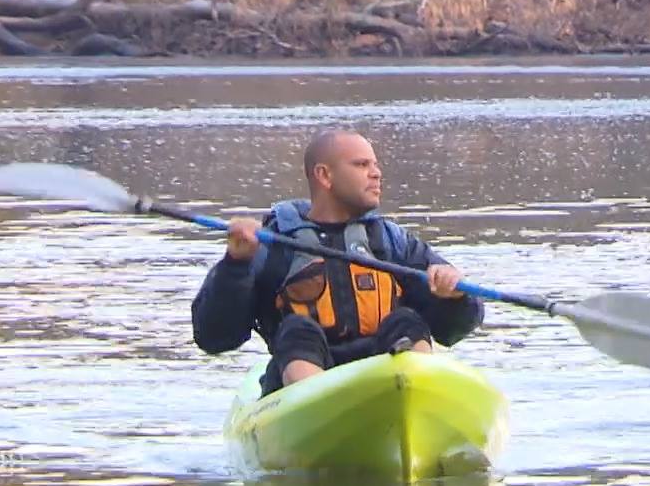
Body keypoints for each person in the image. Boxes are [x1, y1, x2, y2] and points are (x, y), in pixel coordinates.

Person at [192, 128, 483, 394]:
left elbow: (452, 331)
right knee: (297, 330)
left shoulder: (391, 241)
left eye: (375, 164)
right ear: (324, 175)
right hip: (305, 379)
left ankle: (418, 392)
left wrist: (454, 297)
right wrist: (236, 264)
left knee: (407, 322)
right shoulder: (271, 246)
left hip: (384, 376)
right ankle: (319, 399)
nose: (376, 173)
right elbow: (214, 338)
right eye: (361, 165)